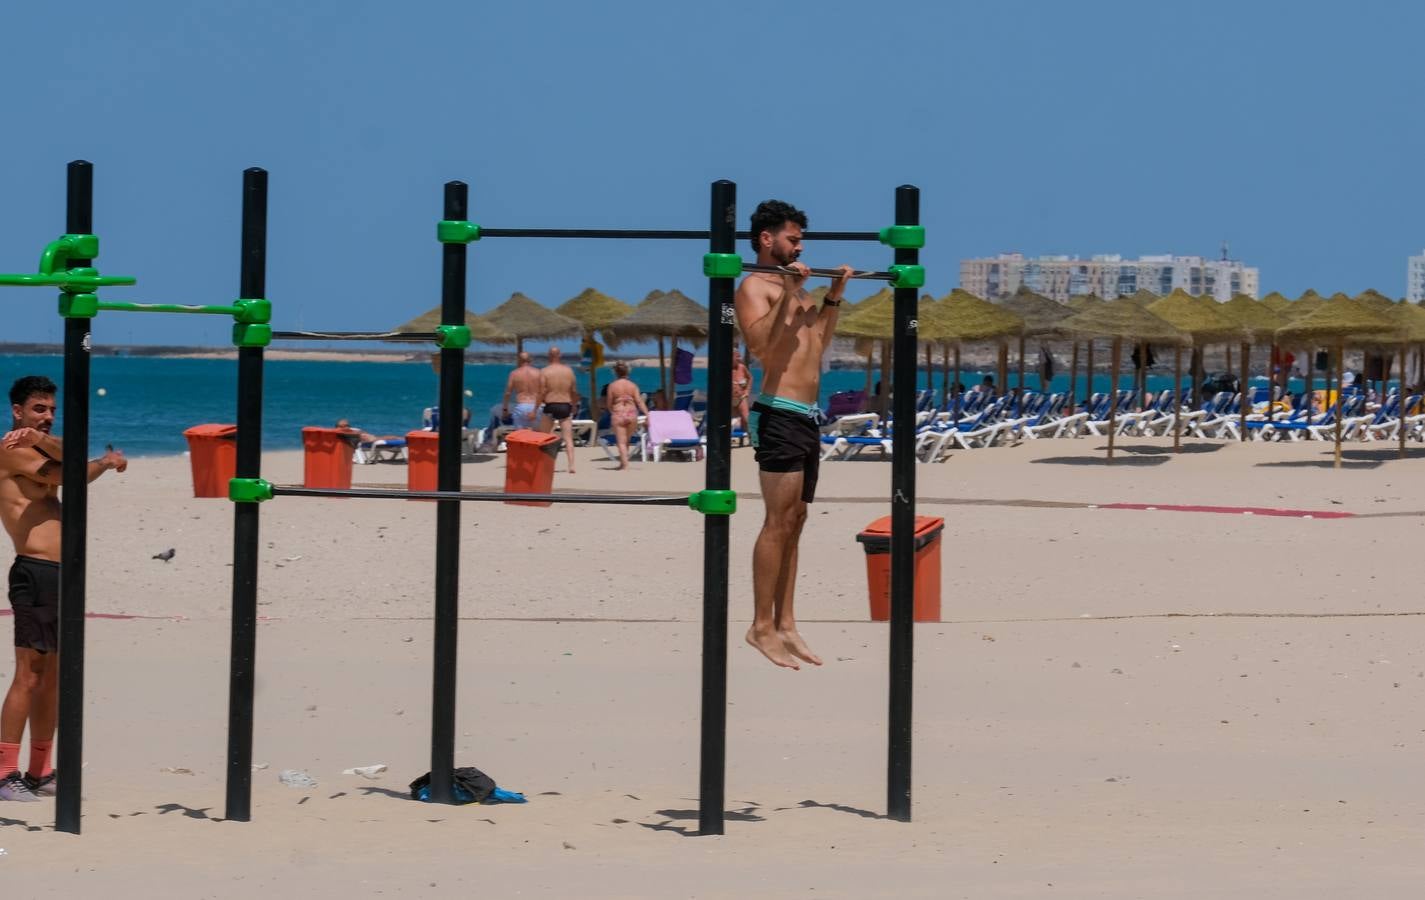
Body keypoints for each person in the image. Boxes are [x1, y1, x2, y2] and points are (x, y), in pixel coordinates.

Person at [733, 199, 852, 670]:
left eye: (801, 240)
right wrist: (787, 291)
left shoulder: (797, 289)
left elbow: (816, 344)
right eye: (793, 239)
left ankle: (785, 623)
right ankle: (760, 626)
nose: (800, 247)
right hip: (777, 412)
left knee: (796, 520)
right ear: (767, 239)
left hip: (806, 414)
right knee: (777, 521)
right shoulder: (753, 286)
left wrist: (833, 298)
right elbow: (762, 346)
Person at [0, 376, 126, 801]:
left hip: (60, 574)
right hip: (35, 573)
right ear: (17, 411)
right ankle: (3, 773)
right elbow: (72, 472)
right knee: (29, 674)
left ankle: (40, 771)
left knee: (52, 677)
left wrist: (103, 462)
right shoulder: (12, 449)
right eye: (39, 409)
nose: (48, 416)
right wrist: (99, 462)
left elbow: (75, 461)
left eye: (52, 410)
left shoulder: (39, 446)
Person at [538, 346, 580, 474]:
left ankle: (546, 464)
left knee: (545, 437)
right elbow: (574, 391)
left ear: (548, 355)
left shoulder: (544, 371)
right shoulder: (569, 371)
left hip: (550, 405)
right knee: (568, 438)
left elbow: (542, 391)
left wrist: (535, 407)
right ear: (560, 355)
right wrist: (574, 405)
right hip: (565, 405)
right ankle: (571, 465)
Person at [605, 362, 648, 470]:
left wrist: (612, 411)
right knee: (626, 441)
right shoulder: (633, 386)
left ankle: (625, 465)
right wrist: (647, 414)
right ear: (628, 372)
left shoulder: (612, 386)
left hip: (619, 413)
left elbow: (609, 403)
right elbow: (639, 401)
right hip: (631, 414)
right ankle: (623, 462)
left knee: (621, 442)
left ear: (615, 372)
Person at [501, 351, 541, 430]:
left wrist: (505, 409)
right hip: (536, 406)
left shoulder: (514, 374)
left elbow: (508, 393)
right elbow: (543, 392)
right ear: (530, 360)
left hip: (521, 406)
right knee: (538, 434)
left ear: (519, 360)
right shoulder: (539, 373)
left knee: (520, 435)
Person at [731, 349, 753, 429]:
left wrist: (747, 391)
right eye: (737, 357)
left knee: (746, 419)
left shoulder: (742, 367)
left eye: (739, 356)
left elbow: (750, 378)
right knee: (728, 420)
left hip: (741, 397)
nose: (739, 358)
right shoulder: (724, 368)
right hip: (729, 398)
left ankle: (747, 434)